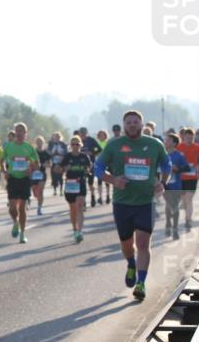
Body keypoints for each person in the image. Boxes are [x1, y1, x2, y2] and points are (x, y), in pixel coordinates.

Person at [96, 110, 169, 301]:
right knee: (126, 243)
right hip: (122, 203)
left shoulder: (154, 144)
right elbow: (97, 168)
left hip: (146, 202)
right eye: (128, 122)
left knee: (143, 244)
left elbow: (167, 165)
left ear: (142, 124)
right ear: (124, 124)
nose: (132, 124)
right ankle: (130, 263)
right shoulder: (114, 145)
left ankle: (141, 283)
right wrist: (113, 180)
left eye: (136, 121)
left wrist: (163, 182)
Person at [2, 122, 38, 243]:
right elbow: (1, 160)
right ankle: (15, 222)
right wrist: (4, 171)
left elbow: (36, 163)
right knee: (12, 208)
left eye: (22, 131)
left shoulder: (29, 148)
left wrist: (31, 169)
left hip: (24, 179)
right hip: (12, 178)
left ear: (26, 134)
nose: (19, 133)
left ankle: (23, 233)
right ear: (15, 132)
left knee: (22, 208)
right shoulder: (8, 146)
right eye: (17, 130)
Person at [60, 136, 93, 243]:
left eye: (77, 144)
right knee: (73, 208)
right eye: (73, 144)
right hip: (70, 184)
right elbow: (60, 169)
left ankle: (79, 231)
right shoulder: (67, 156)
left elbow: (89, 167)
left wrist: (88, 170)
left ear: (80, 145)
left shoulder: (84, 157)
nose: (75, 146)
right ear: (70, 145)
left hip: (81, 183)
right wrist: (66, 168)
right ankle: (74, 229)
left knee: (79, 206)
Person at [163, 132, 191, 240]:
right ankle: (168, 223)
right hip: (165, 184)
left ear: (174, 143)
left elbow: (187, 168)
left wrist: (177, 169)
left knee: (174, 206)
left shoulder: (179, 155)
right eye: (165, 139)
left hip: (176, 185)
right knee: (169, 204)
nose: (165, 141)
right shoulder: (162, 154)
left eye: (168, 140)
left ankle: (174, 227)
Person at [177, 126, 199, 232]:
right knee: (184, 200)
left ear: (194, 137)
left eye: (191, 137)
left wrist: (198, 168)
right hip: (181, 177)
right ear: (183, 137)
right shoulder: (179, 147)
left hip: (192, 176)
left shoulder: (197, 147)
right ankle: (187, 217)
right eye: (187, 137)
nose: (189, 139)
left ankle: (188, 220)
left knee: (189, 199)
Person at [78, 127, 102, 208]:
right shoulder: (78, 141)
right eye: (81, 133)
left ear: (86, 133)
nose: (83, 135)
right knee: (82, 184)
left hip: (90, 164)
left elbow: (99, 149)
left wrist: (92, 152)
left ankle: (92, 196)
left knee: (90, 183)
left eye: (84, 133)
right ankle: (84, 201)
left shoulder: (91, 140)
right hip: (80, 165)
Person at [31, 135, 51, 215]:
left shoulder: (46, 153)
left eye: (40, 142)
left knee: (40, 192)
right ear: (35, 143)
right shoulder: (33, 152)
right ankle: (35, 199)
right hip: (33, 174)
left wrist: (44, 165)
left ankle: (39, 208)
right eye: (37, 142)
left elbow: (50, 164)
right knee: (35, 193)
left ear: (43, 143)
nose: (39, 143)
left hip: (42, 174)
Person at [48, 131, 68, 196]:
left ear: (60, 137)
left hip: (61, 162)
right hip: (54, 161)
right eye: (56, 137)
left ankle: (61, 190)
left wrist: (61, 154)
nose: (57, 138)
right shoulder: (51, 144)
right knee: (54, 176)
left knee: (60, 176)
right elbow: (48, 152)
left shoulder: (63, 144)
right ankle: (55, 190)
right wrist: (52, 154)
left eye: (58, 137)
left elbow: (66, 153)